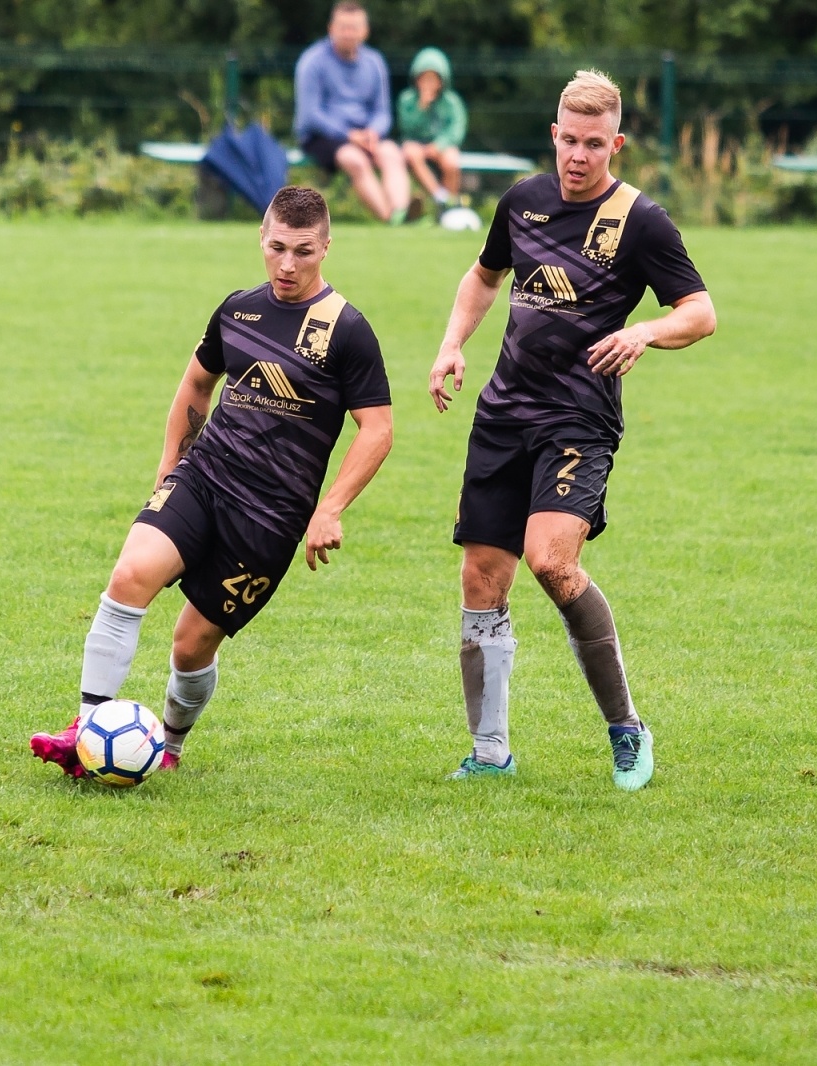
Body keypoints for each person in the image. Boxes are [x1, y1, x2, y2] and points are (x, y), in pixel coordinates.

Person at [30, 186, 393, 775]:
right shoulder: (238, 310)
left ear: (327, 245)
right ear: (261, 237)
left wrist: (330, 509)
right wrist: (170, 468)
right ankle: (87, 730)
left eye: (304, 251)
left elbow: (377, 429)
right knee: (129, 575)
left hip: (270, 520)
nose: (287, 265)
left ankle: (168, 747)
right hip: (204, 477)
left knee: (191, 645)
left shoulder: (347, 330)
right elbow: (196, 385)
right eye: (277, 248)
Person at [426, 70, 716, 790]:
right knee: (480, 579)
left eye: (595, 144)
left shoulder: (641, 220)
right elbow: (484, 275)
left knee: (551, 561)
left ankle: (627, 728)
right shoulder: (522, 201)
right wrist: (451, 343)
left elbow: (700, 312)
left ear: (616, 143)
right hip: (503, 412)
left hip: (578, 418)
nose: (579, 156)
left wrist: (645, 332)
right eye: (569, 141)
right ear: (553, 136)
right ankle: (490, 752)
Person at [293, 2, 413, 225]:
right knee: (355, 160)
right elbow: (311, 114)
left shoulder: (375, 62)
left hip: (366, 135)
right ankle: (392, 220)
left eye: (354, 27)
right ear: (331, 28)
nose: (348, 33)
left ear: (365, 31)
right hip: (321, 136)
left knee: (392, 153)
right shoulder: (312, 61)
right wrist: (349, 135)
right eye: (343, 27)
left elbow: (382, 112)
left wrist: (373, 132)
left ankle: (401, 213)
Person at [397, 47, 469, 218]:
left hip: (442, 145)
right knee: (410, 153)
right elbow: (406, 127)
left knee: (451, 161)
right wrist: (421, 108)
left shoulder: (452, 102)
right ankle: (440, 197)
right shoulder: (407, 99)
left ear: (442, 80)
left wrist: (439, 145)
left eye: (433, 79)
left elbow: (457, 129)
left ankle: (450, 207)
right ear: (416, 79)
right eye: (424, 78)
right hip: (416, 144)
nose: (428, 83)